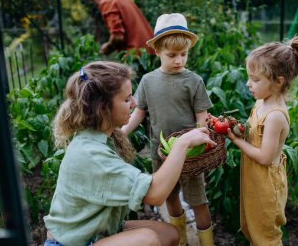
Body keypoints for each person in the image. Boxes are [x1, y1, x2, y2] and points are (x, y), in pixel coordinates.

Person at [43, 61, 216, 246]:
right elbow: (156, 195)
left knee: (169, 234)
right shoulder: (91, 154)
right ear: (103, 108)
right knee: (147, 240)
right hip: (72, 243)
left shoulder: (98, 138)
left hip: (95, 232)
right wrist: (182, 144)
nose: (134, 104)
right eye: (126, 99)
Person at [122, 13, 215, 246]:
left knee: (198, 201)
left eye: (183, 55)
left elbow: (201, 117)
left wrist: (203, 143)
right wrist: (122, 132)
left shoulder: (193, 81)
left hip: (191, 154)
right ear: (157, 52)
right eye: (172, 55)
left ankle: (207, 242)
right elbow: (139, 114)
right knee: (170, 196)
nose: (179, 60)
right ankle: (181, 239)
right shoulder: (148, 81)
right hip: (160, 152)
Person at [226, 36, 298, 246]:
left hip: (266, 184)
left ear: (278, 81)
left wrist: (236, 140)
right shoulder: (261, 103)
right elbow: (255, 135)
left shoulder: (275, 116)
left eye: (255, 79)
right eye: (249, 77)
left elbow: (264, 157)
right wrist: (239, 128)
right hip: (254, 178)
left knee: (267, 235)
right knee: (253, 227)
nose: (248, 83)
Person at [88, 0, 154, 55]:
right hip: (150, 48)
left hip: (136, 53)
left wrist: (107, 47)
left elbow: (118, 37)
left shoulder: (107, 3)